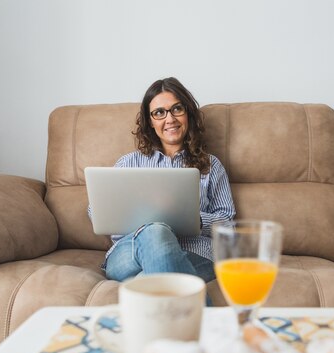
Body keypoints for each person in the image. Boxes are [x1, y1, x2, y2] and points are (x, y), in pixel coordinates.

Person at [92, 77, 235, 284]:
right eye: (159, 113)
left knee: (144, 279)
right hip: (130, 251)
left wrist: (198, 219)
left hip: (195, 252)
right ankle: (203, 314)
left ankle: (147, 283)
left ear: (188, 113)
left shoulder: (211, 166)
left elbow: (228, 224)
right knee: (155, 232)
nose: (170, 119)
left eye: (177, 109)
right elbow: (97, 210)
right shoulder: (127, 163)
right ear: (150, 121)